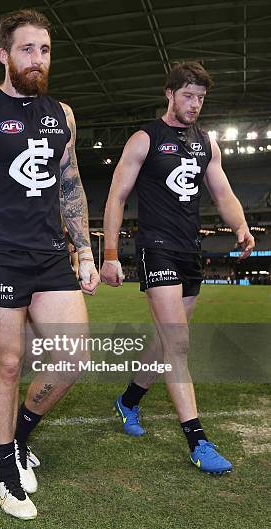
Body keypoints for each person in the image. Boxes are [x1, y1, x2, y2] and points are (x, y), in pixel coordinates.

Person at [0, 9, 99, 519]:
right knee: (7, 365)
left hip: (51, 255)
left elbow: (70, 184)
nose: (38, 59)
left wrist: (84, 248)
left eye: (46, 50)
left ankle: (21, 436)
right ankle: (4, 473)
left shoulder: (64, 114)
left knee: (71, 358)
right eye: (28, 49)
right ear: (5, 55)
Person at [100, 61, 255, 475]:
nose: (195, 104)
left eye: (201, 98)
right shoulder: (144, 139)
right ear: (169, 94)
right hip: (157, 248)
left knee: (166, 342)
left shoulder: (207, 143)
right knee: (178, 343)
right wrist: (111, 254)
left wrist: (240, 225)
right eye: (188, 95)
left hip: (190, 251)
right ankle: (198, 440)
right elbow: (116, 197)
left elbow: (222, 191)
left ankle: (128, 400)